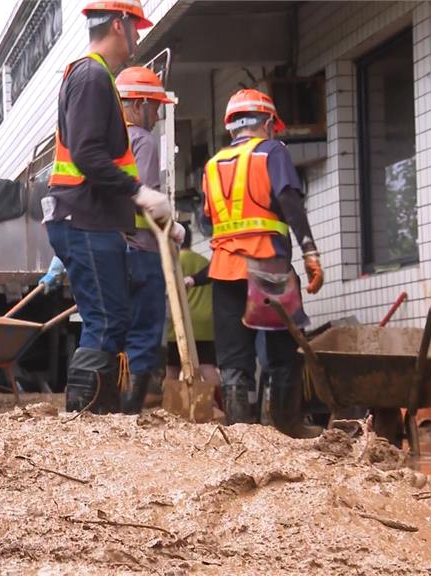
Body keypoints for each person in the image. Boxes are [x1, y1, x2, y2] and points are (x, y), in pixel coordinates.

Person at [44, 1, 181, 414]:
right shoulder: (91, 76)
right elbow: (87, 154)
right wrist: (138, 192)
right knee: (106, 320)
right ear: (120, 25)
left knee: (111, 319)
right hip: (84, 218)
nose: (139, 37)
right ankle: (84, 420)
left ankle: (93, 419)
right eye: (136, 28)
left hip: (89, 218)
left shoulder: (94, 76)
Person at [202, 88, 323, 438]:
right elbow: (289, 200)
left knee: (234, 357)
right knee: (282, 350)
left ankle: (241, 435)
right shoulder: (272, 151)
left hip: (224, 271)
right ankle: (287, 427)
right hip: (268, 265)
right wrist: (310, 251)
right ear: (268, 123)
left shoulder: (211, 166)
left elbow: (208, 217)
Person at [115, 65, 172, 413]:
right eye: (154, 107)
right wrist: (170, 225)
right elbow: (145, 197)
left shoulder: (106, 140)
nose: (156, 115)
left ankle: (107, 409)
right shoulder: (142, 141)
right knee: (145, 330)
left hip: (111, 249)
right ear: (137, 105)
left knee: (112, 329)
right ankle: (131, 410)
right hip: (142, 249)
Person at [165, 223, 219, 402]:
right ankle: (216, 404)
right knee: (207, 366)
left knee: (172, 368)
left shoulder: (171, 263)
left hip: (177, 324)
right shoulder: (205, 263)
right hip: (205, 323)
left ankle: (170, 405)